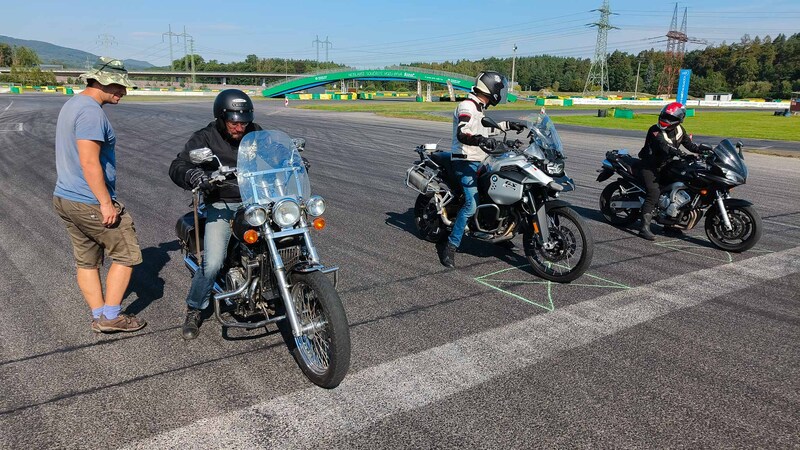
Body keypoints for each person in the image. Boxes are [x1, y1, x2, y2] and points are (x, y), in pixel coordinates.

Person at [53, 56, 146, 333]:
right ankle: (111, 317)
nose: (123, 91)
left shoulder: (73, 104)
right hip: (89, 200)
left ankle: (98, 315)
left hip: (66, 196)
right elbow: (89, 161)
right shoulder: (91, 112)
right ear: (101, 82)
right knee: (127, 254)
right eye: (118, 85)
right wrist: (106, 203)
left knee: (87, 260)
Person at [169, 89, 263, 340]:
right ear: (221, 118)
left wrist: (292, 160)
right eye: (234, 123)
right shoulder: (205, 137)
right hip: (222, 203)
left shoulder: (255, 132)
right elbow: (179, 164)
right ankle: (194, 308)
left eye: (244, 122)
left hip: (256, 200)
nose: (240, 128)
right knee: (212, 263)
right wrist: (193, 174)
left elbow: (273, 152)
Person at [437, 71, 525, 268]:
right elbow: (463, 132)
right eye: (498, 89)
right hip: (465, 161)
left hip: (480, 160)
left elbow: (485, 129)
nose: (500, 93)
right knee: (471, 204)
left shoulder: (478, 108)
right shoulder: (467, 106)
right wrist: (479, 140)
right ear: (490, 89)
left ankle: (500, 233)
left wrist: (509, 125)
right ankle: (450, 246)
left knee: (499, 191)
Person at [637, 101, 699, 240]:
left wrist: (703, 150)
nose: (665, 120)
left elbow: (689, 144)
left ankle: (670, 223)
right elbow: (663, 145)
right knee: (654, 193)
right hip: (649, 166)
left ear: (679, 119)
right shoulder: (655, 130)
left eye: (670, 118)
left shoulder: (680, 130)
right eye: (664, 116)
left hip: (666, 165)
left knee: (680, 186)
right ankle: (644, 228)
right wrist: (679, 153)